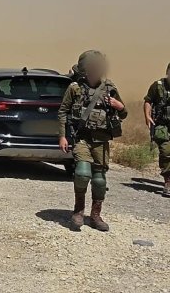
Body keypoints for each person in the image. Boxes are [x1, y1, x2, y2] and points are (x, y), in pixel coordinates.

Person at [58, 50, 127, 231]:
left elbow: (123, 112)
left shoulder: (109, 88)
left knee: (99, 180)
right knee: (82, 173)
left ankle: (95, 215)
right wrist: (62, 136)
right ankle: (78, 211)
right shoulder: (75, 88)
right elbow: (63, 111)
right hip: (82, 138)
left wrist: (119, 106)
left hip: (101, 141)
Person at [143, 62, 170, 197]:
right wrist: (147, 116)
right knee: (166, 152)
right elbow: (148, 100)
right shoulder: (158, 86)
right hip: (162, 124)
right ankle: (168, 181)